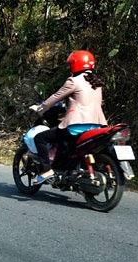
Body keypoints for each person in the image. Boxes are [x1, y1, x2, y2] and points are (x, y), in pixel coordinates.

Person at [28, 50, 107, 184]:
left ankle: (46, 170)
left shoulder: (74, 81)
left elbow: (55, 97)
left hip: (76, 127)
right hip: (96, 127)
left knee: (40, 138)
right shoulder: (97, 83)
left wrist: (40, 108)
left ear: (76, 65)